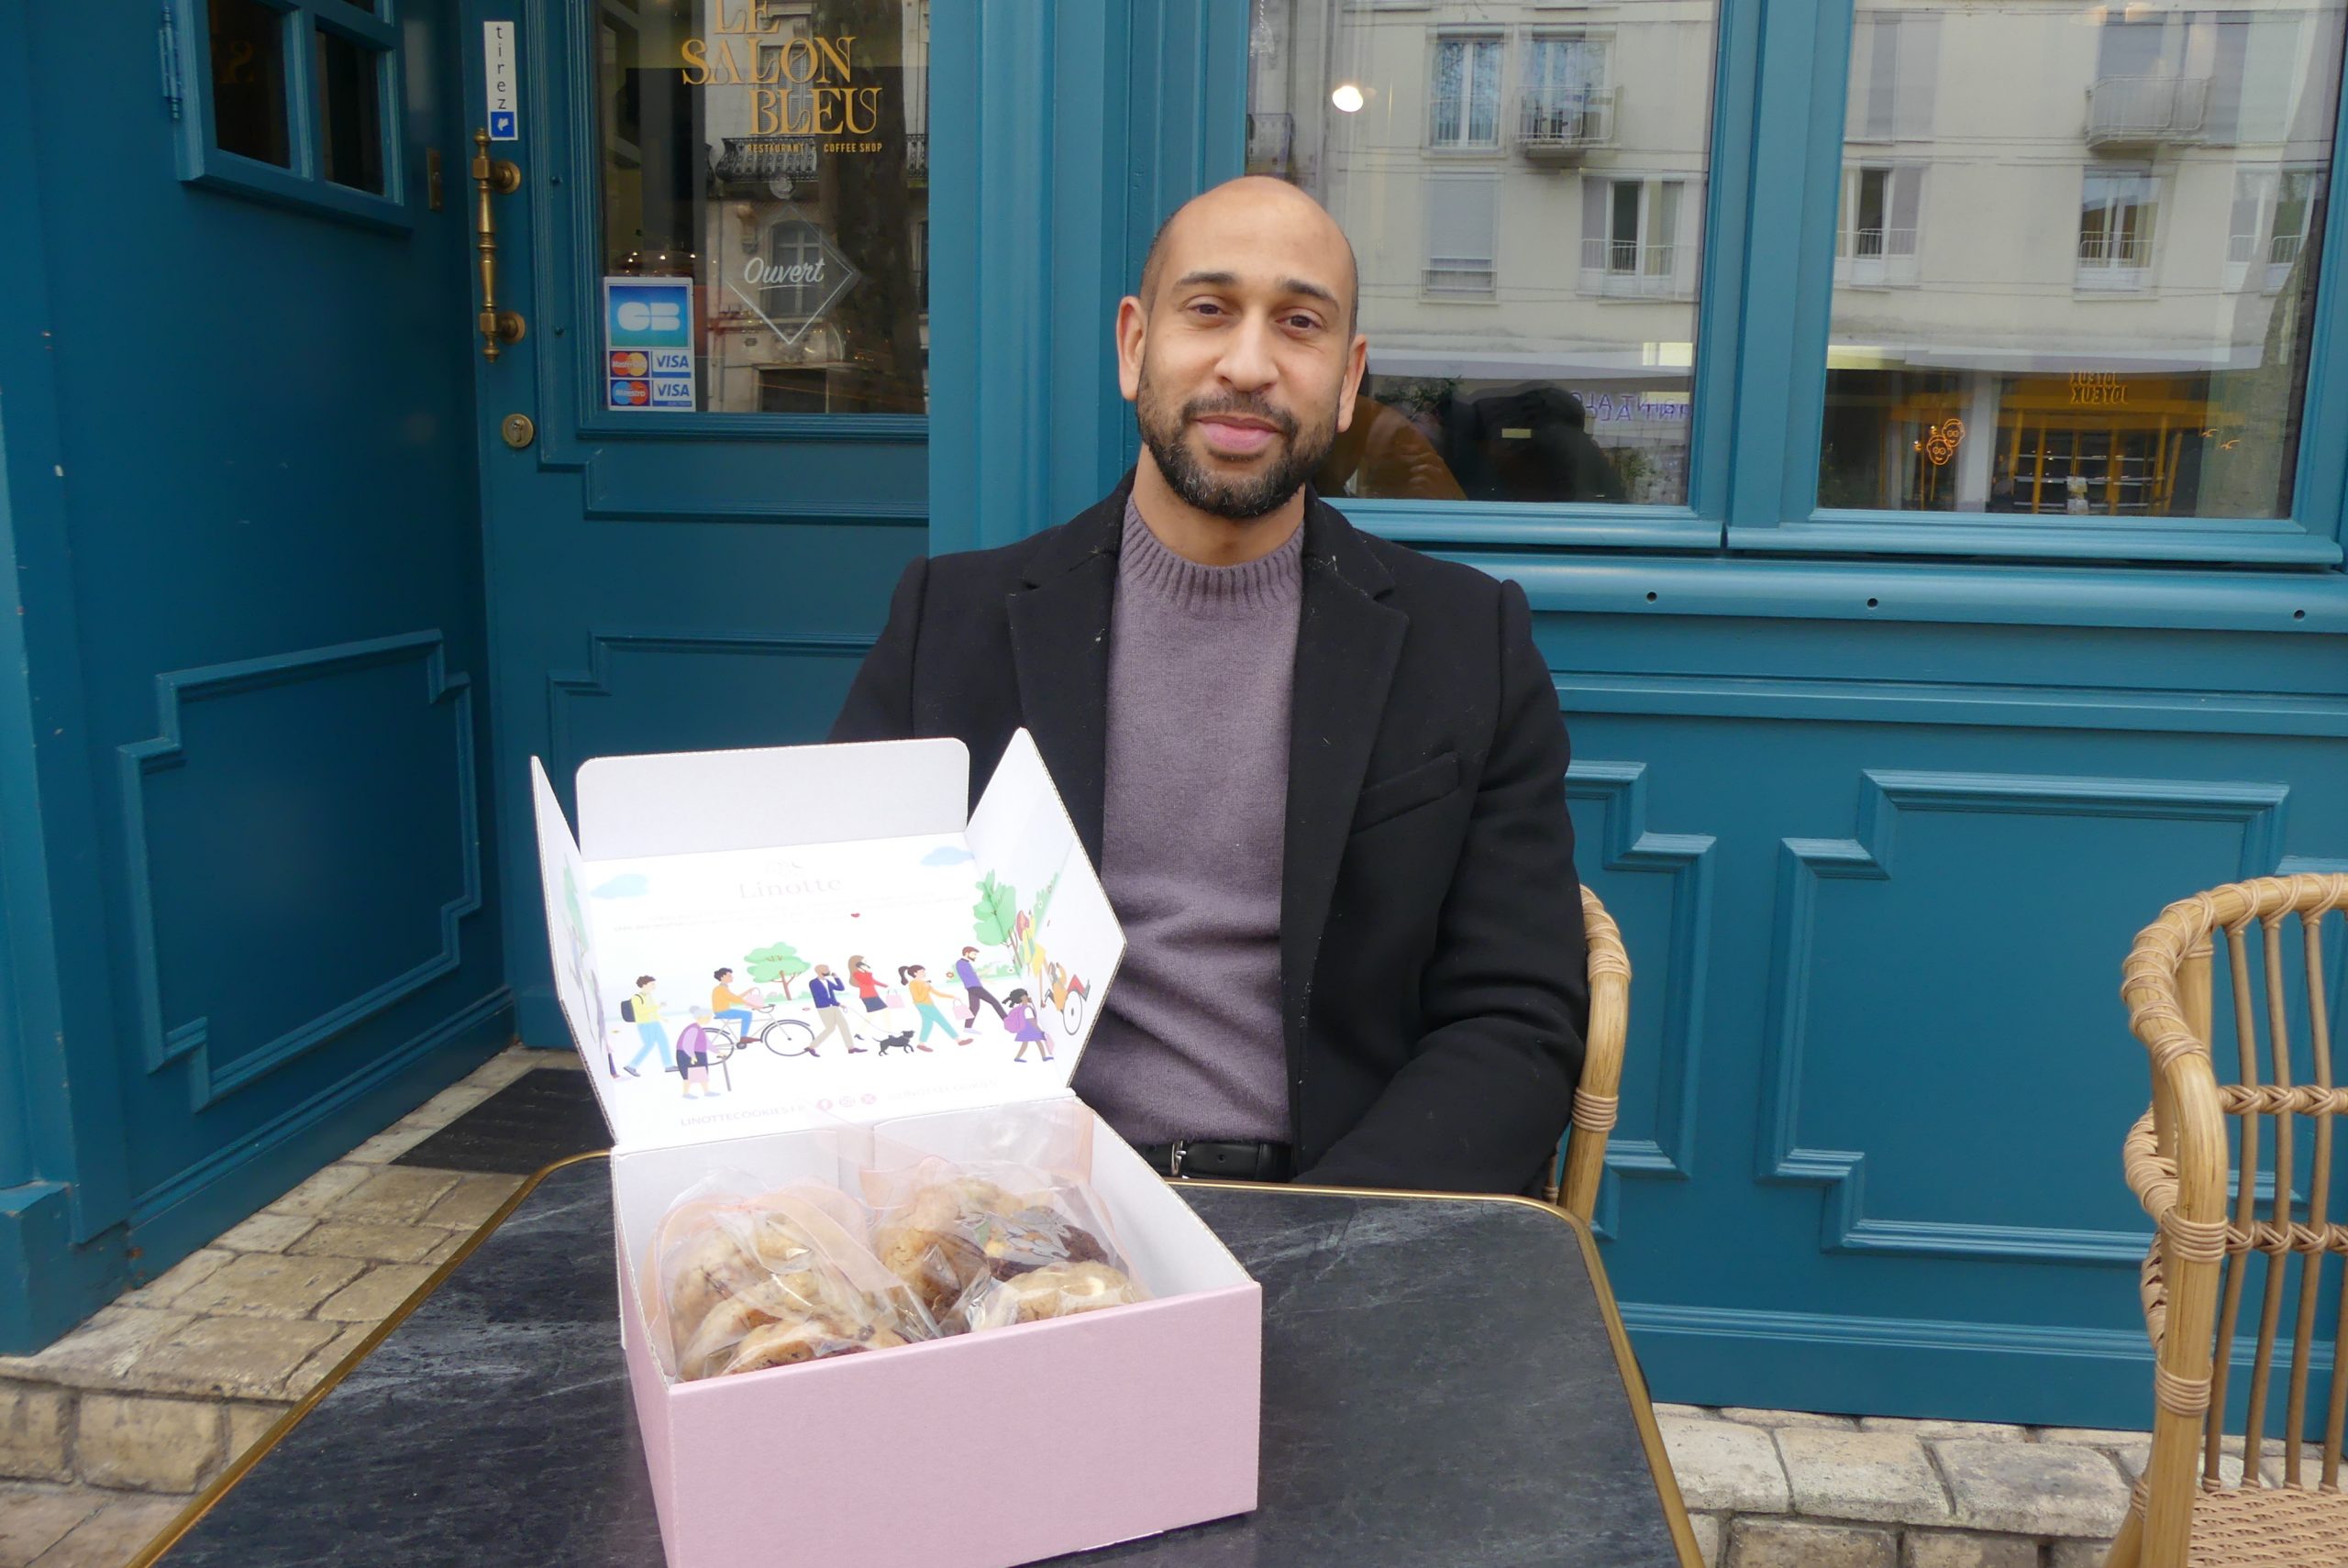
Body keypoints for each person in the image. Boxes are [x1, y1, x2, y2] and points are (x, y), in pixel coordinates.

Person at [832, 175, 1588, 1195]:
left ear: (1348, 380)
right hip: (1013, 1212)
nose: (1248, 364)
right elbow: (845, 936)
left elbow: (1517, 1019)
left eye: (1300, 323)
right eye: (1209, 309)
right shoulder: (949, 622)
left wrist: (1325, 1238)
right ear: (1134, 345)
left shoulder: (1469, 642)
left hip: (1337, 1206)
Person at [901, 964, 968, 1049]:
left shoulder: (925, 983)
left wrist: (952, 996)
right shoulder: (913, 984)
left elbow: (938, 993)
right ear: (915, 973)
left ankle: (921, 1044)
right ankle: (959, 1040)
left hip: (928, 1005)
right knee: (942, 1021)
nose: (924, 973)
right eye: (922, 971)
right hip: (923, 1005)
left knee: (927, 1024)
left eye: (924, 971)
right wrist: (925, 988)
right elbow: (918, 998)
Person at [804, 964, 864, 1055]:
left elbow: (841, 988)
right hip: (824, 1008)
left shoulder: (827, 981)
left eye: (828, 969)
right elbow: (823, 997)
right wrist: (839, 1004)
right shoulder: (813, 983)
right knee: (830, 1029)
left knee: (844, 1025)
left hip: (834, 1007)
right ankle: (811, 1047)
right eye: (826, 969)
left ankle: (851, 1048)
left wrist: (836, 978)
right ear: (819, 971)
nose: (828, 970)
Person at [623, 976, 668, 1078]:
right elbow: (642, 1012)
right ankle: (631, 1066)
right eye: (652, 984)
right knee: (649, 1045)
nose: (654, 986)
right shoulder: (637, 998)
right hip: (645, 1024)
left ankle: (668, 1065)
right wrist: (658, 1007)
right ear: (644, 985)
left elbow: (652, 1012)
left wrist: (661, 1018)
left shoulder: (649, 996)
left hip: (653, 1023)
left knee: (663, 1041)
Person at [954, 945, 1006, 1027]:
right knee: (994, 1002)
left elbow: (972, 977)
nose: (975, 956)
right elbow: (972, 975)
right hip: (974, 987)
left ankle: (967, 1027)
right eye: (974, 954)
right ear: (967, 953)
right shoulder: (961, 963)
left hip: (973, 987)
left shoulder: (966, 963)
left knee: (974, 1008)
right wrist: (988, 970)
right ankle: (1007, 1020)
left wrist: (986, 980)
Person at [1002, 988, 1054, 1065]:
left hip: (1024, 1028)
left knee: (1026, 1043)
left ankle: (1018, 1057)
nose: (1027, 996)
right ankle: (1043, 1057)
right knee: (1038, 1042)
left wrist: (1031, 1002)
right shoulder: (1027, 1009)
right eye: (1025, 995)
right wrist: (1040, 1030)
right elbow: (1032, 1021)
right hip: (1030, 1028)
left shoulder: (1021, 1007)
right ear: (1022, 997)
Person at [710, 967, 757, 1039]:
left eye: (731, 976)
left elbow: (735, 998)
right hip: (723, 1011)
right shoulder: (721, 989)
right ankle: (743, 1037)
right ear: (722, 977)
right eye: (729, 976)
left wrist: (748, 991)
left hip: (722, 1010)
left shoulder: (723, 988)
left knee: (746, 1014)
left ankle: (743, 1037)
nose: (732, 977)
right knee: (747, 1014)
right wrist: (754, 1006)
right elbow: (736, 1000)